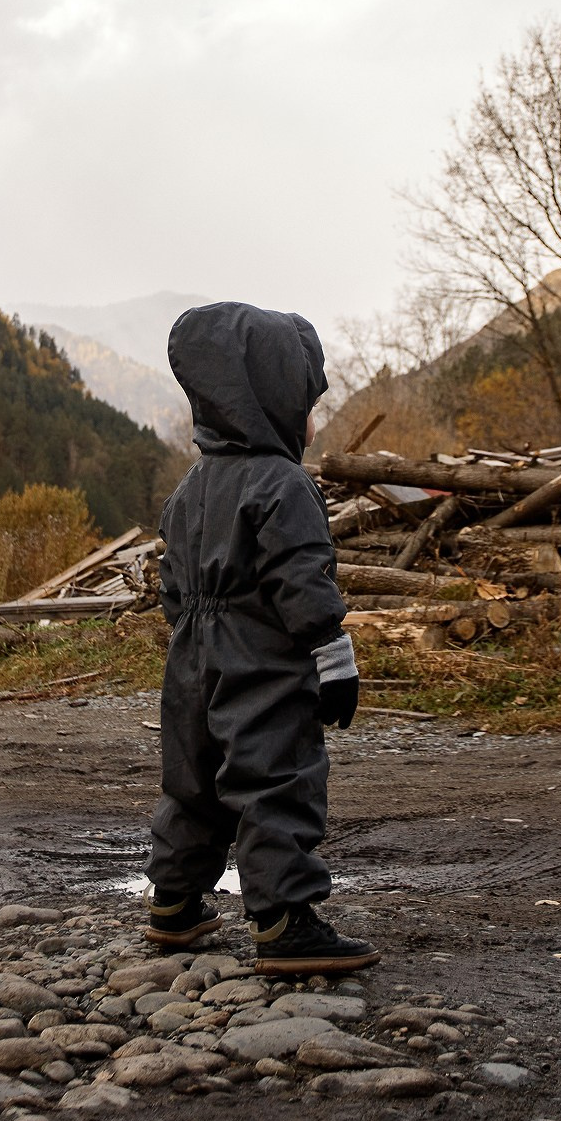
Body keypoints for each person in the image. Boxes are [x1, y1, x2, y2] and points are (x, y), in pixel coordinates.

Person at [142, 301, 379, 974]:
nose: (310, 420)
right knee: (274, 773)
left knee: (192, 780)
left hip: (191, 658)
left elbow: (171, 583)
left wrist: (194, 640)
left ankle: (173, 902)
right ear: (267, 400)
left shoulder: (190, 487)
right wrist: (335, 659)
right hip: (263, 659)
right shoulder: (284, 485)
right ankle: (282, 920)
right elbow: (304, 581)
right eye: (306, 402)